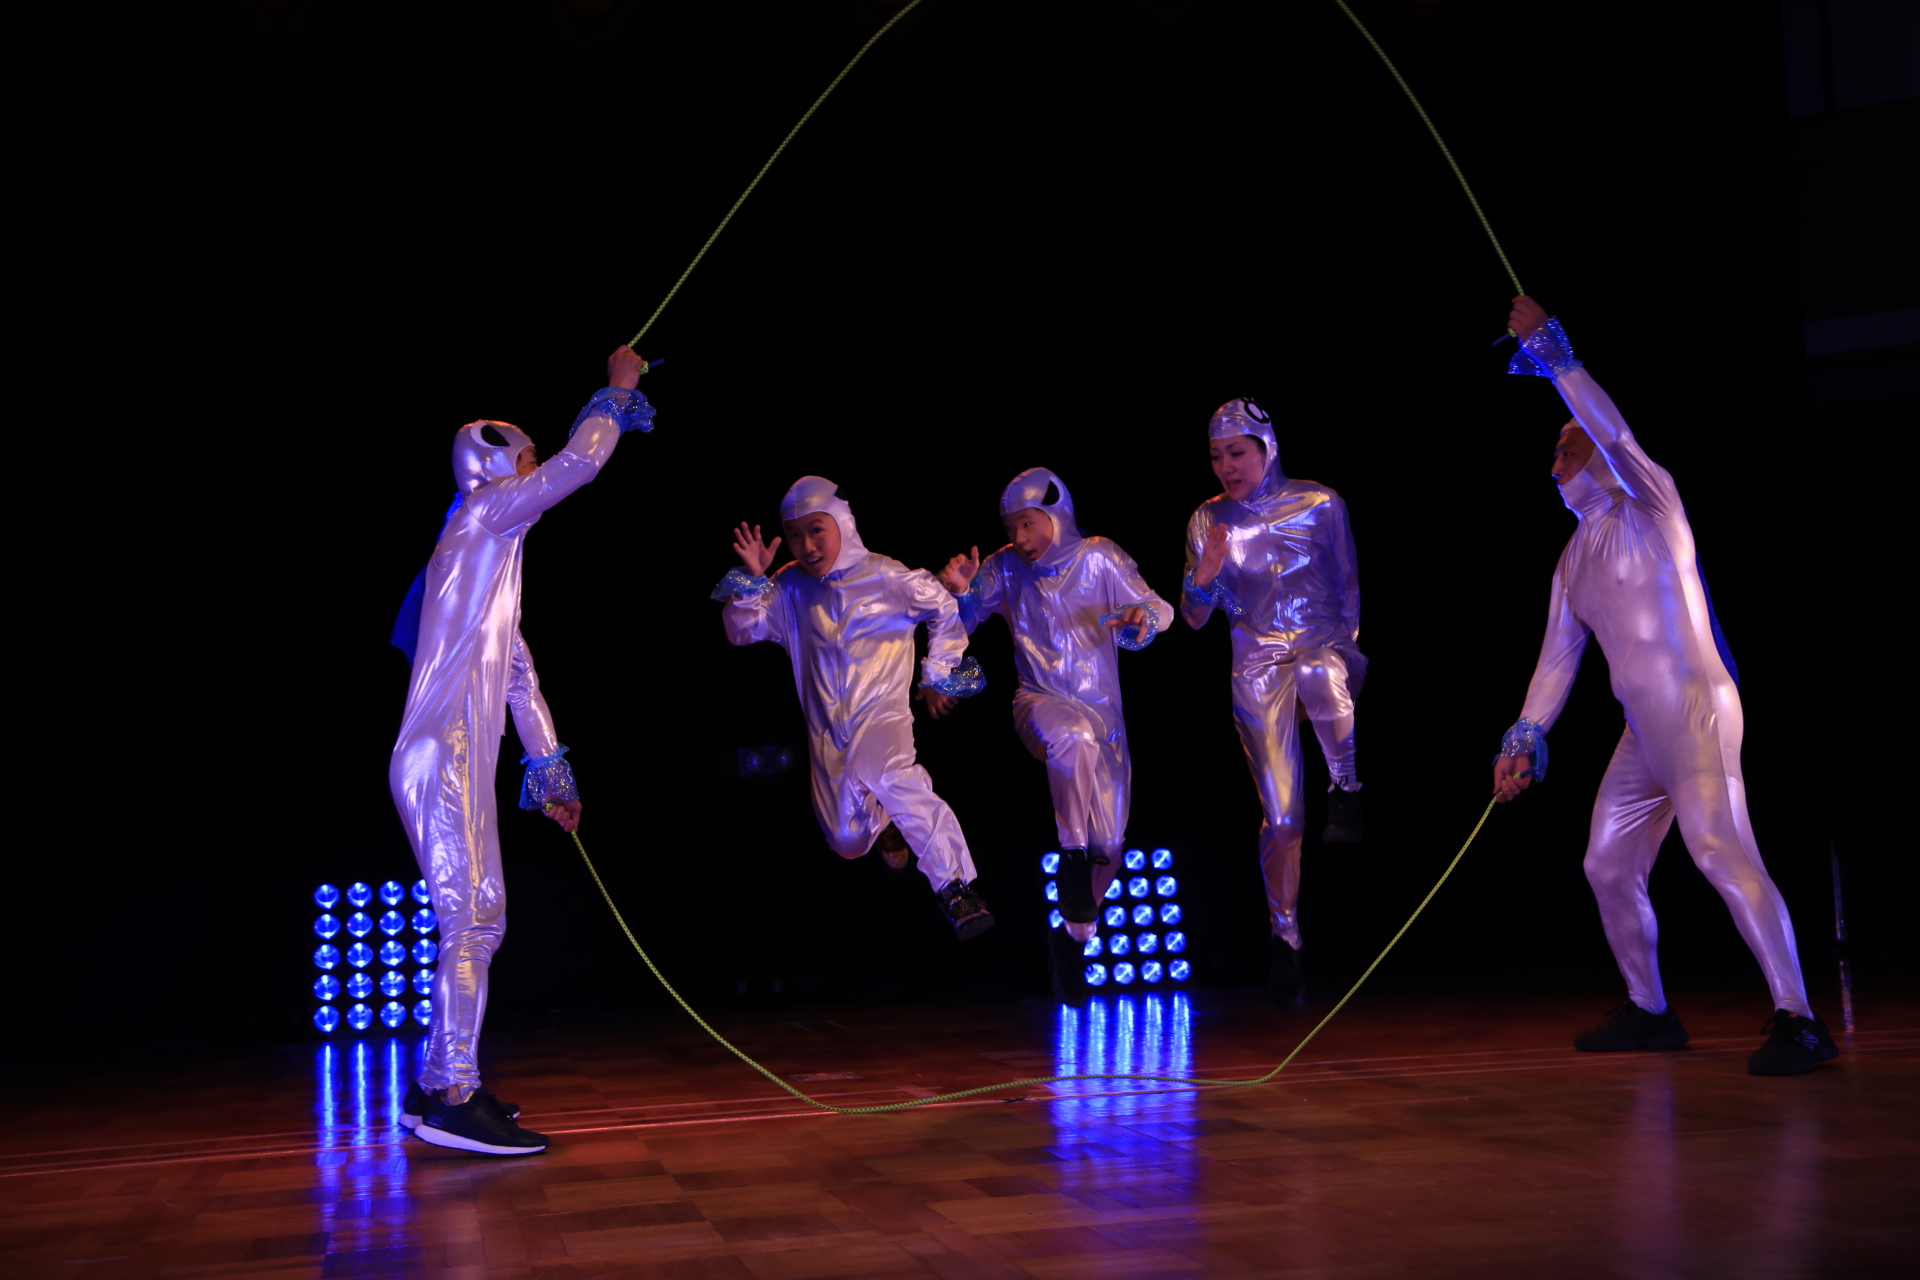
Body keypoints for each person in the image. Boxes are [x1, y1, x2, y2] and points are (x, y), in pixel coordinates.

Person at [1491, 295, 1836, 1077]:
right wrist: (1524, 737)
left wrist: (1554, 357)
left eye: (1568, 446)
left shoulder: (1652, 505)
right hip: (1643, 732)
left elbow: (1614, 434)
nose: (1557, 459)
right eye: (1557, 449)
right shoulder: (1571, 561)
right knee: (1607, 865)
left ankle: (1800, 1017)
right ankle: (1650, 1011)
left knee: (1719, 849)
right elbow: (1556, 661)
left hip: (1697, 708)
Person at [389, 346, 656, 1155]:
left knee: (481, 916)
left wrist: (551, 777)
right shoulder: (478, 516)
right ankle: (451, 1095)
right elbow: (581, 465)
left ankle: (437, 1083)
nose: (534, 475)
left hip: (455, 755)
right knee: (472, 920)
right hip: (440, 755)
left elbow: (516, 675)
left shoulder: (487, 572)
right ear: (495, 467)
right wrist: (617, 390)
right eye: (526, 462)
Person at [717, 476, 994, 938]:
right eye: (795, 534)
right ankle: (883, 819)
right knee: (846, 840)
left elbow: (943, 606)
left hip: (882, 716)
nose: (807, 545)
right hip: (826, 732)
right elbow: (740, 631)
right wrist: (752, 580)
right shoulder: (789, 586)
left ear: (842, 523)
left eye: (817, 530)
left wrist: (937, 673)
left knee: (889, 774)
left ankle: (956, 887)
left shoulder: (885, 576)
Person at [937, 468, 1171, 1003]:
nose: (1019, 538)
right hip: (1038, 703)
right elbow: (958, 627)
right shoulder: (1003, 567)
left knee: (1111, 848)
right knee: (1073, 740)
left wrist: (1144, 616)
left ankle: (1071, 940)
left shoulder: (1100, 556)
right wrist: (962, 594)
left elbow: (1162, 609)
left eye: (1028, 524)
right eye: (1011, 527)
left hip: (1107, 722)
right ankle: (1070, 856)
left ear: (1056, 513)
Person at [1182, 398, 1364, 1006]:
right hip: (1256, 665)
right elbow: (1193, 618)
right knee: (1284, 820)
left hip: (1324, 647)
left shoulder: (1320, 502)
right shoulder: (1209, 519)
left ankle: (1346, 786)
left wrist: (1344, 654)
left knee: (1316, 668)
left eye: (1237, 453)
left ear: (1267, 448)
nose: (1226, 466)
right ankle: (1285, 935)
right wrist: (1205, 575)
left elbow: (1348, 584)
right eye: (1216, 456)